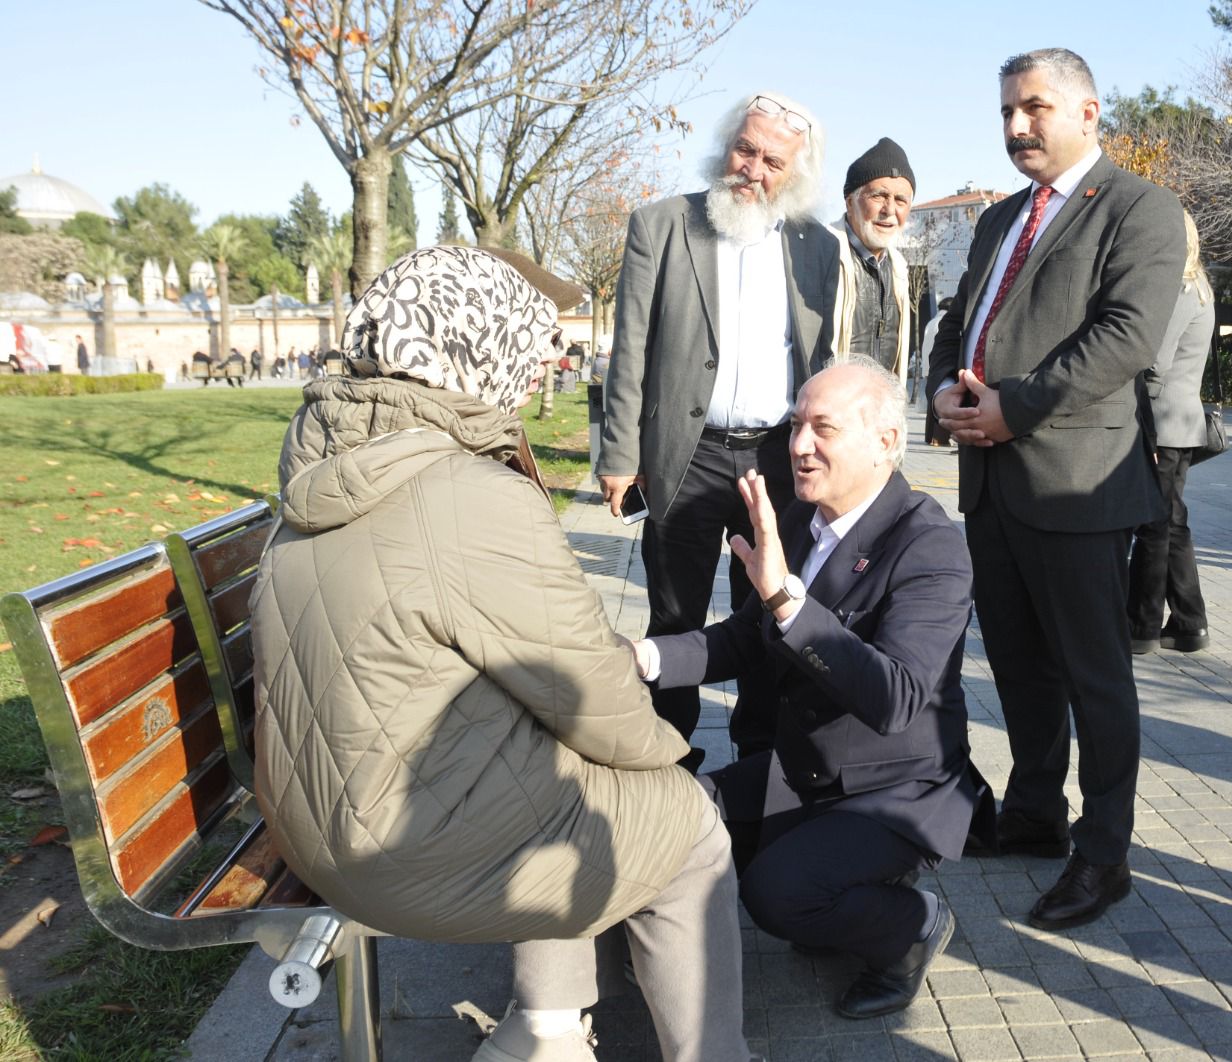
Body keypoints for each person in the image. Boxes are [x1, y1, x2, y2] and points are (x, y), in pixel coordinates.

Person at [250, 246, 752, 1062]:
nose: (542, 366)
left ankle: (545, 1031)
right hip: (399, 848)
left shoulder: (324, 464)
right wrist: (668, 759)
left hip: (316, 825)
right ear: (477, 348)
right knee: (685, 825)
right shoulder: (470, 497)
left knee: (561, 768)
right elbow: (589, 688)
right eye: (531, 344)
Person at [928, 48, 1183, 929]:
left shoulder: (1142, 209)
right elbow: (960, 318)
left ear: (1088, 111)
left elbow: (1126, 336)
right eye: (1006, 111)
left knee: (1094, 678)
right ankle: (1036, 815)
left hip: (1077, 483)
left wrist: (1014, 409)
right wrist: (941, 391)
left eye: (1034, 107)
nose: (1015, 126)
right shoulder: (999, 219)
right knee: (1019, 667)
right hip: (992, 482)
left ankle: (1104, 853)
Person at [636, 359, 976, 1020]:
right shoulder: (799, 521)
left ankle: (913, 926)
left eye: (822, 427)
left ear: (884, 442)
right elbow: (738, 639)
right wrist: (638, 657)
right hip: (807, 768)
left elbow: (897, 697)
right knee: (677, 819)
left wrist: (790, 606)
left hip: (894, 787)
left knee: (777, 897)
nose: (798, 445)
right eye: (795, 425)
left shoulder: (930, 545)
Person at [598, 90, 840, 752]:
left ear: (796, 174)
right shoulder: (663, 224)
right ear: (726, 146)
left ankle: (758, 754)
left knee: (769, 610)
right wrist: (619, 453)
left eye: (772, 160)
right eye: (745, 148)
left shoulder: (817, 247)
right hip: (685, 453)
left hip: (774, 461)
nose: (753, 169)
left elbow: (818, 358)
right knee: (675, 613)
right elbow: (631, 350)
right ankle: (667, 755)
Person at [1129, 212, 1214, 656]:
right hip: (1179, 423)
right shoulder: (1199, 286)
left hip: (1165, 423)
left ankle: (1141, 625)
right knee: (1171, 523)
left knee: (1154, 526)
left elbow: (1155, 359)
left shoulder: (1181, 290)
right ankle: (1188, 622)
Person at [830, 138, 914, 380]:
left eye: (900, 200)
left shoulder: (899, 268)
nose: (889, 210)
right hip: (829, 410)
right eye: (879, 196)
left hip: (879, 411)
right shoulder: (822, 254)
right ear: (849, 201)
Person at [921, 298, 955, 446]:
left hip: (928, 366)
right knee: (941, 403)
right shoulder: (945, 322)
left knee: (931, 406)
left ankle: (930, 436)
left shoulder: (931, 322)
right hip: (939, 365)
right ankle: (938, 438)